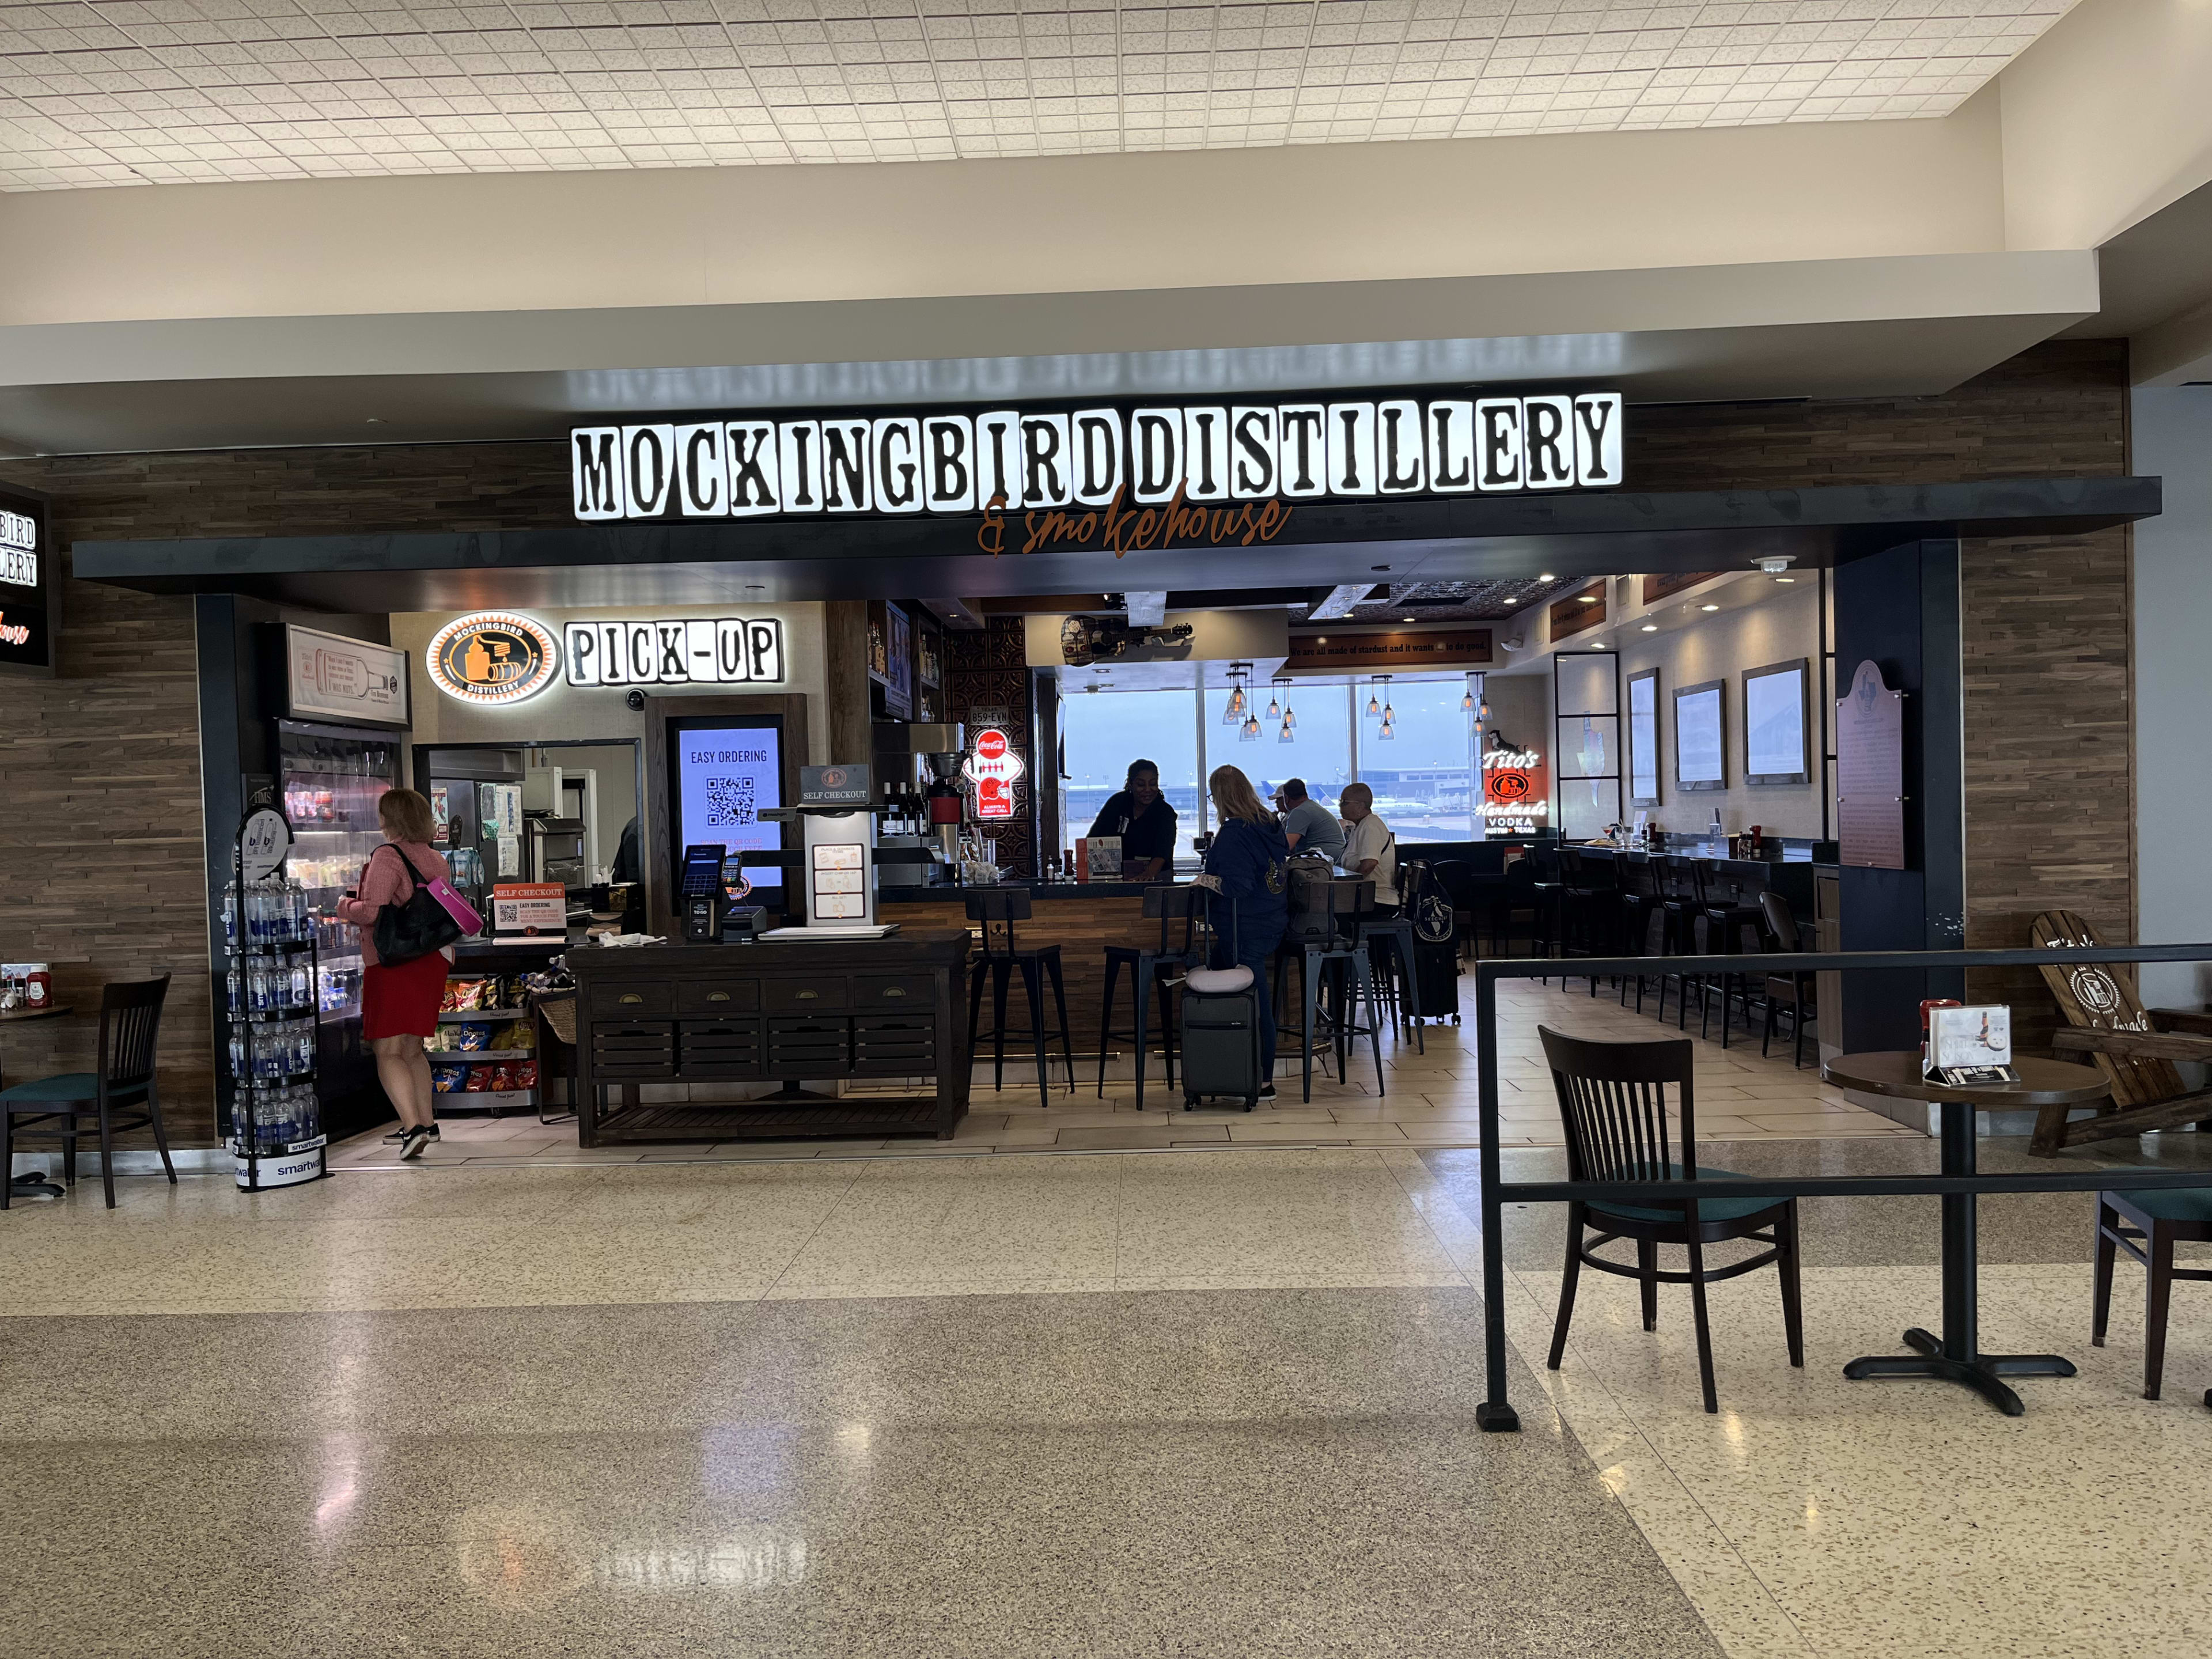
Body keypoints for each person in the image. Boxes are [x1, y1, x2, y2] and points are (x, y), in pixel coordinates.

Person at [335, 787, 453, 1160]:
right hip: (430, 959)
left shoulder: (388, 856)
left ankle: (412, 1127)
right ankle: (427, 1123)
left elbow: (373, 912)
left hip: (394, 963)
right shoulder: (434, 857)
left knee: (387, 1050)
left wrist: (343, 905)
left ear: (391, 820)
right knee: (412, 1047)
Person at [1192, 764, 1291, 1097]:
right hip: (1273, 920)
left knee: (1255, 1002)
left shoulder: (1235, 832)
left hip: (1244, 925)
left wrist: (1203, 879)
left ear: (1220, 797)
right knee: (1237, 984)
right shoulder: (1270, 824)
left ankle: (1262, 1078)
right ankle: (1229, 1068)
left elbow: (1237, 885)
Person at [1086, 759, 1179, 880]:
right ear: (1130, 784)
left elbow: (1163, 850)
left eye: (1152, 784)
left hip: (1156, 879)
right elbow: (1094, 838)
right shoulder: (1118, 803)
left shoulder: (1165, 812)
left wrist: (1149, 874)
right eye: (1141, 785)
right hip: (1116, 877)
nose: (1147, 790)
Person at [1338, 781, 1400, 916]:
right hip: (1366, 895)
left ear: (1360, 806)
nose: (1340, 806)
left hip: (1377, 898)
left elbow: (1369, 863)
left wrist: (1349, 886)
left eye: (1344, 802)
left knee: (1325, 906)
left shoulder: (1370, 826)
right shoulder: (1360, 826)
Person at [1274, 777, 1345, 864]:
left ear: (1286, 798)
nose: (1276, 803)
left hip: (1327, 862)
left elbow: (1286, 847)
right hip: (1335, 858)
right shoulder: (1310, 807)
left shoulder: (1300, 812)